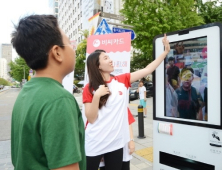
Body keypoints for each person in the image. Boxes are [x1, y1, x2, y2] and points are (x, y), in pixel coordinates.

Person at [82, 34, 170, 170]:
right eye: (106, 58)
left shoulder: (122, 80)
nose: (111, 60)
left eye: (109, 57)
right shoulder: (89, 88)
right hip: (94, 141)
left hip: (115, 143)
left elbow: (147, 69)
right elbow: (91, 119)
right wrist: (96, 97)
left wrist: (165, 52)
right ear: (97, 65)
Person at [11, 15, 86, 170]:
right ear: (57, 52)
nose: (74, 47)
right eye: (69, 43)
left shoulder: (27, 91)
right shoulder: (59, 100)